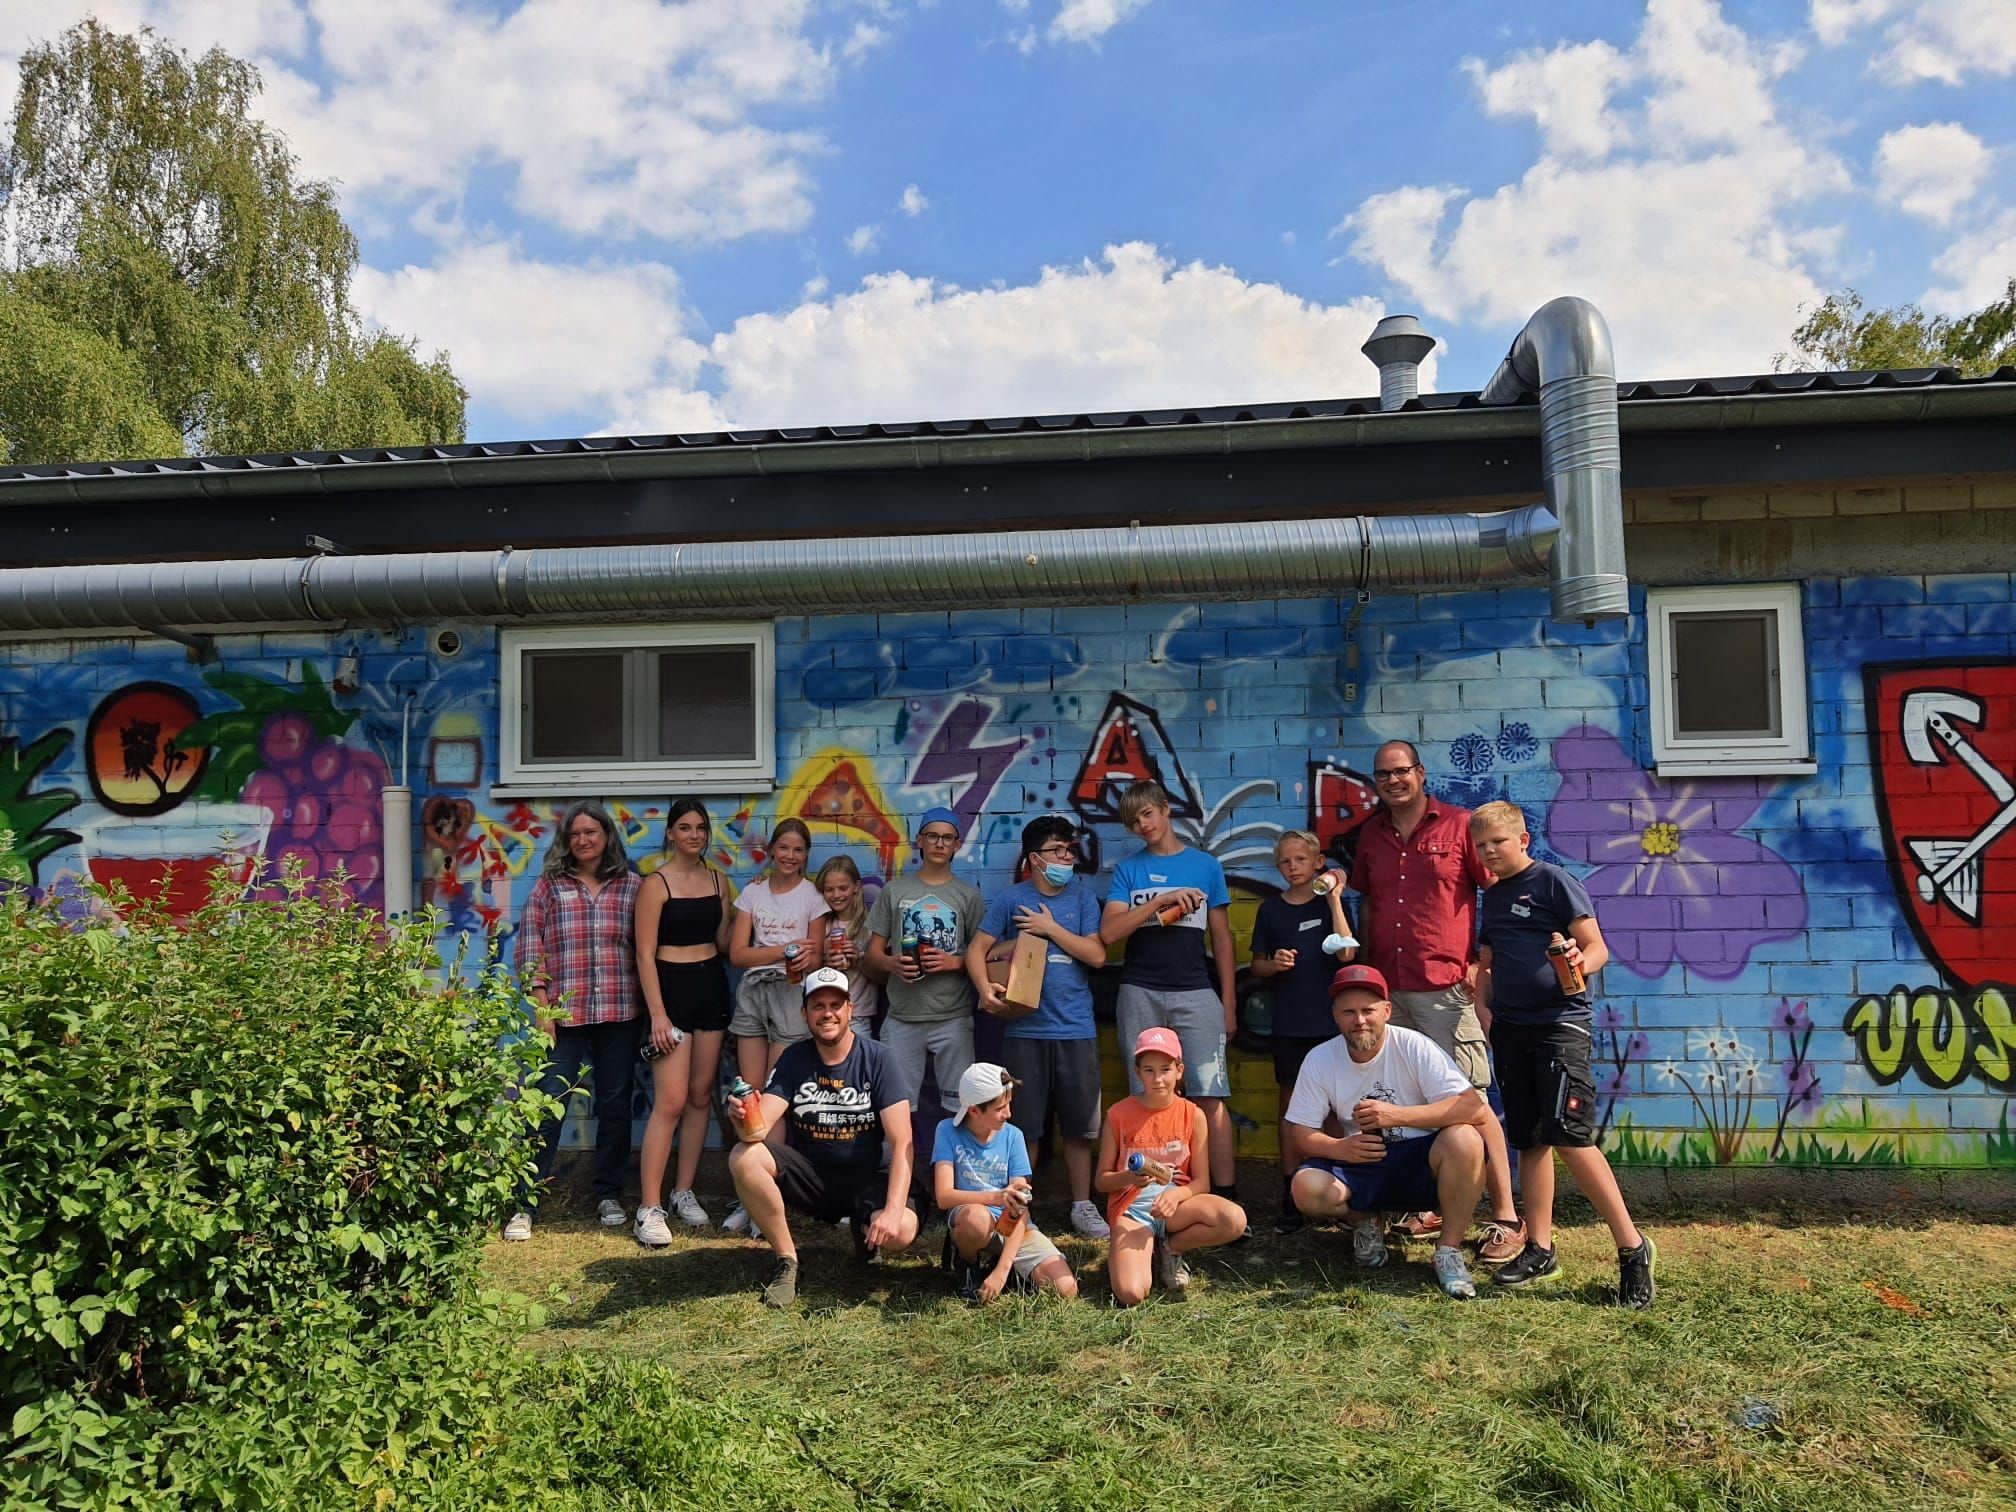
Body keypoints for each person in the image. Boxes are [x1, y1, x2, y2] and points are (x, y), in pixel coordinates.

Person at [1470, 801, 1656, 1308]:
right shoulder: (1495, 896)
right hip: (1511, 1029)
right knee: (1530, 1141)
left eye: (1498, 842)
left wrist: (1578, 959)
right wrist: (1485, 1007)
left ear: (1523, 841)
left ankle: (1633, 1249)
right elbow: (1487, 962)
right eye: (1481, 845)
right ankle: (1540, 1248)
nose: (1489, 851)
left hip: (1559, 1026)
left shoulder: (1553, 882)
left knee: (1571, 1139)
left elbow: (1596, 948)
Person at [1348, 738, 1524, 1265]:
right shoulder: (1370, 836)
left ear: (1420, 773)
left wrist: (1480, 964)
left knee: (1475, 1102)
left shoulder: (1459, 825)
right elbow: (1367, 904)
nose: (1393, 781)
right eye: (1383, 774)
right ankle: (1436, 1204)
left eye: (1402, 771)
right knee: (1405, 1101)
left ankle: (1507, 1219)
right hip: (1388, 992)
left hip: (1446, 988)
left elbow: (1497, 891)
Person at [1283, 965, 1494, 1300]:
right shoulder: (1320, 1058)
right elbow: (1301, 1133)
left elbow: (1472, 1108)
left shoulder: (1414, 1046)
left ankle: (1448, 1251)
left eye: (1368, 1010)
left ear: (1387, 1011)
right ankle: (1366, 1221)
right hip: (1362, 1160)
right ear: (1335, 1016)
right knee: (1306, 1188)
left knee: (1466, 1139)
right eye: (1348, 1012)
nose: (1359, 1020)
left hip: (1418, 1158)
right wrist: (1341, 1149)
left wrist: (1397, 1115)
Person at [725, 967, 922, 1308]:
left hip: (865, 1179)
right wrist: (742, 1117)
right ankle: (787, 1261)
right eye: (818, 1006)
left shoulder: (879, 1058)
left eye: (835, 1004)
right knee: (744, 1156)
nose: (827, 1013)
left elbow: (903, 1141)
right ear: (805, 1014)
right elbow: (757, 1131)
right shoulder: (794, 1058)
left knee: (901, 1230)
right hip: (812, 1178)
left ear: (850, 1009)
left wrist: (891, 1210)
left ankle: (867, 1231)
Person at [966, 815, 1112, 1240]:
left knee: (1081, 1126)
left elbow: (1097, 955)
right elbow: (978, 951)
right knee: (1024, 1125)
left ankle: (1082, 1206)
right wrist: (985, 991)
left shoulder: (1083, 899)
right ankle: (1021, 1205)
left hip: (1076, 1029)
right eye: (1057, 850)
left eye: (1070, 850)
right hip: (1025, 1031)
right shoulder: (1012, 900)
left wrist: (1050, 929)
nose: (1067, 857)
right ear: (1034, 858)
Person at [1098, 781, 1242, 1210]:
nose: (1143, 825)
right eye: (1134, 820)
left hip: (1196, 991)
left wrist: (1228, 1004)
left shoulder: (1205, 866)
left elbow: (1222, 938)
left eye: (1148, 814)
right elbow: (1109, 933)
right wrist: (1159, 901)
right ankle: (1144, 1196)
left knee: (1209, 1095)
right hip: (1139, 989)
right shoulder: (1129, 870)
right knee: (1144, 1094)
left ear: (1165, 810)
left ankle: (1223, 1195)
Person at [507, 802, 644, 1241]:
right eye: (576, 834)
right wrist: (541, 1008)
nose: (584, 840)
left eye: (592, 832)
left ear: (607, 836)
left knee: (615, 1106)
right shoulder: (550, 887)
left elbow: (646, 949)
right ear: (566, 840)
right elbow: (531, 948)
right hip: (563, 1017)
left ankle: (608, 1193)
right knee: (548, 1103)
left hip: (620, 1012)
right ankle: (525, 1201)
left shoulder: (632, 886)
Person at [631, 798, 732, 1245]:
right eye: (685, 827)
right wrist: (657, 1014)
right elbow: (643, 954)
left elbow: (727, 941)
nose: (695, 835)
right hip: (670, 991)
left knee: (698, 1095)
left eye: (701, 828)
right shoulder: (655, 884)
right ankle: (648, 1208)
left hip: (711, 985)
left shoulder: (718, 880)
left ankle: (682, 1191)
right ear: (670, 833)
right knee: (669, 1101)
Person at [1248, 829, 1358, 1233]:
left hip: (1330, 1026)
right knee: (1293, 1110)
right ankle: (1291, 1193)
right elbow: (1257, 965)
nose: (1292, 868)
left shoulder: (1332, 904)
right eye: (1284, 862)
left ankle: (1340, 1185)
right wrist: (1274, 964)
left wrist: (1333, 897)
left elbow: (1347, 951)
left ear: (1317, 863)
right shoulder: (1271, 911)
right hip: (1290, 1024)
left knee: (1336, 1109)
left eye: (1300, 860)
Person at [722, 818, 828, 1235]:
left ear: (806, 855)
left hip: (790, 996)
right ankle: (749, 1198)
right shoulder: (752, 893)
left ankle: (771, 1192)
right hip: (752, 995)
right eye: (783, 847)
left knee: (775, 1097)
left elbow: (816, 958)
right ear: (771, 850)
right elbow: (737, 954)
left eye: (798, 850)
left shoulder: (813, 898)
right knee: (749, 1097)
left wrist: (801, 959)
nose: (790, 856)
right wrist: (783, 951)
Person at [1096, 1028, 1248, 1307]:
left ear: (1179, 1070)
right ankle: (1133, 1253)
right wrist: (1130, 1177)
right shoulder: (1118, 1114)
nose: (1157, 1079)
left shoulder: (1193, 1114)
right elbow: (1102, 1182)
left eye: (1165, 1069)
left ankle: (1171, 1248)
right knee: (1131, 1294)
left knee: (1234, 1220)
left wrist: (1176, 1196)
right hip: (1132, 1210)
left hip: (1176, 1208)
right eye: (1149, 1070)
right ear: (1137, 1072)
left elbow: (1201, 1183)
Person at [867, 807, 984, 1116]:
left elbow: (982, 956)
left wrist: (953, 963)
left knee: (960, 1107)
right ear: (919, 840)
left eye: (948, 838)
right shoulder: (895, 891)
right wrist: (892, 964)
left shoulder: (967, 896)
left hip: (953, 1017)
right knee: (895, 1107)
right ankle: (896, 1165)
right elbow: (872, 953)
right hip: (902, 1016)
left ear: (958, 845)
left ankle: (954, 1165)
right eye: (932, 836)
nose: (940, 843)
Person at [933, 1063, 1079, 1303]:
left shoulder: (1014, 1136)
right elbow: (944, 1196)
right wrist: (995, 1198)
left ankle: (1004, 1269)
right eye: (1000, 1108)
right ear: (973, 1111)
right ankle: (968, 1264)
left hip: (1012, 1226)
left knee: (1066, 1289)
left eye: (1008, 1104)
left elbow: (1019, 1207)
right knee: (976, 1220)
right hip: (973, 1219)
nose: (1008, 1113)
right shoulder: (947, 1130)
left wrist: (1002, 1270)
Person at [814, 855, 885, 1038]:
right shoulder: (819, 925)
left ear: (856, 887)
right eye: (829, 890)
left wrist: (860, 960)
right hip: (823, 1015)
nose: (836, 895)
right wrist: (823, 958)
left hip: (858, 1015)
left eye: (843, 888)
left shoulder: (871, 926)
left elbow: (884, 978)